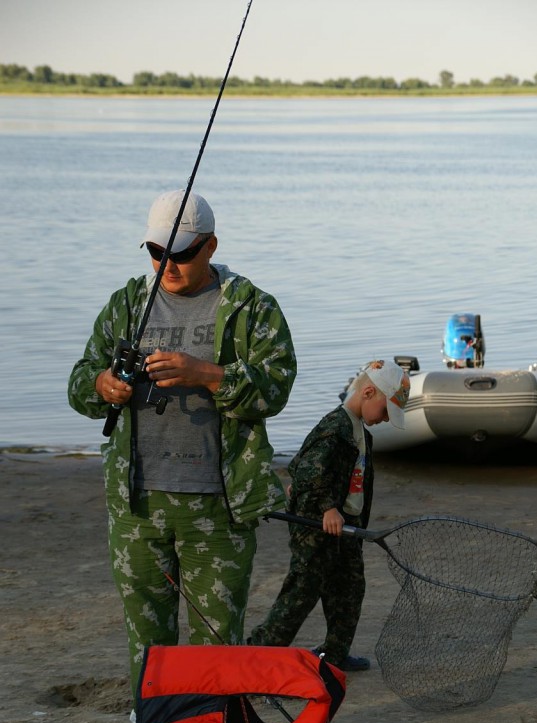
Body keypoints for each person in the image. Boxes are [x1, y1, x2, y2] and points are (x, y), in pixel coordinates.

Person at [68, 189, 296, 697]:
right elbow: (79, 382)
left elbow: (276, 390)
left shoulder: (252, 307)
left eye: (182, 253)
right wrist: (103, 385)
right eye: (155, 251)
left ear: (210, 246)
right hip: (136, 508)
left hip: (219, 509)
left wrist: (207, 374)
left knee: (218, 642)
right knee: (147, 642)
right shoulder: (127, 303)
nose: (166, 265)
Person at [249, 359, 410, 671]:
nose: (385, 419)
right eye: (385, 410)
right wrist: (327, 507)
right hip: (317, 526)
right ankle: (259, 653)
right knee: (302, 590)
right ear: (368, 393)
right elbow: (305, 467)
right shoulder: (335, 428)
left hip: (346, 525)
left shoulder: (360, 432)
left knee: (349, 587)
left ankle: (335, 652)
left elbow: (307, 467)